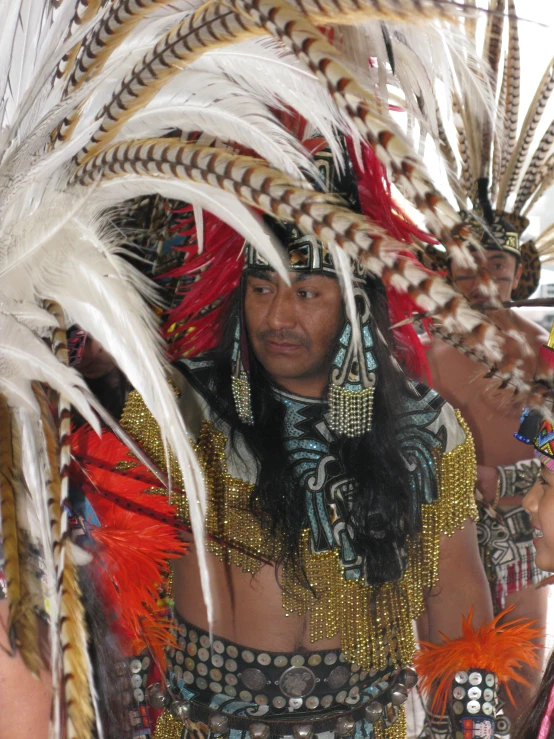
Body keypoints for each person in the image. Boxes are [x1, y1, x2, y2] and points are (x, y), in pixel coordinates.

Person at [71, 142, 544, 739]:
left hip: (374, 714)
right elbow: (116, 564)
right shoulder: (180, 407)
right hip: (205, 724)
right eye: (262, 288)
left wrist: (473, 723)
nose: (276, 318)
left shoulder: (452, 404)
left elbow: (456, 594)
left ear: (353, 304)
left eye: (306, 293)